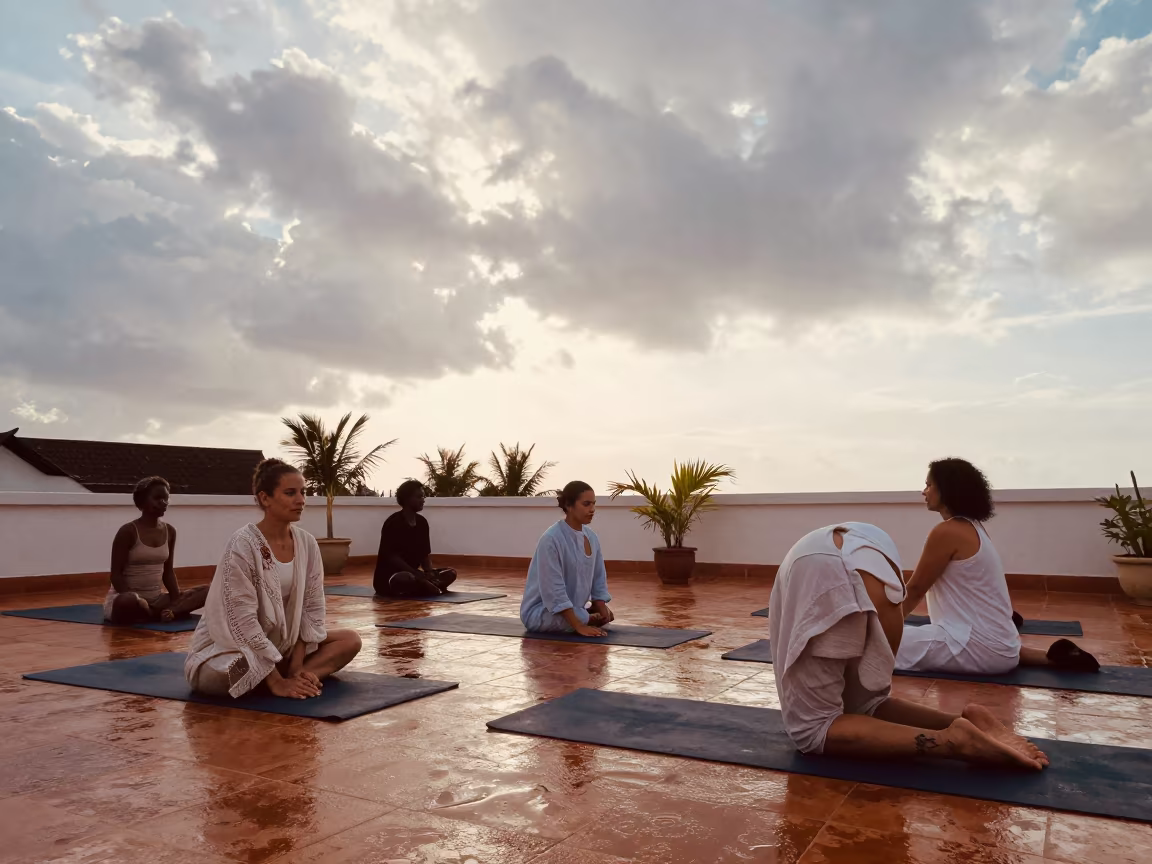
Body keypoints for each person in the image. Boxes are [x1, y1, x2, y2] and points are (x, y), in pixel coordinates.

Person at [769, 522, 1049, 770]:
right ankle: (968, 723)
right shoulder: (976, 531)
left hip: (821, 580)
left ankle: (951, 741)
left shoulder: (949, 530)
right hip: (879, 571)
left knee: (812, 730)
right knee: (867, 704)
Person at [896, 458, 1099, 674]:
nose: (924, 491)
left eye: (929, 485)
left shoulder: (946, 532)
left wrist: (883, 627)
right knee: (906, 635)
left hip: (973, 648)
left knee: (869, 642)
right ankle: (1050, 658)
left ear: (947, 489)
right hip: (1002, 647)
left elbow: (916, 589)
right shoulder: (975, 527)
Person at [184, 458, 362, 699]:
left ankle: (297, 677)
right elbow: (242, 620)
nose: (301, 500)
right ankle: (271, 676)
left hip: (283, 647)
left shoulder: (307, 543)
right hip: (231, 650)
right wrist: (277, 683)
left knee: (350, 640)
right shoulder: (243, 544)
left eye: (303, 492)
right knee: (233, 672)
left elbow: (310, 611)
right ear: (265, 498)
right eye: (290, 493)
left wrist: (298, 666)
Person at [104, 476, 208, 624]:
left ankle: (167, 612)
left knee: (207, 591)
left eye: (166, 498)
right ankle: (154, 613)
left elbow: (168, 572)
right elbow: (116, 575)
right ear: (142, 501)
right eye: (157, 498)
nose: (163, 503)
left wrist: (176, 601)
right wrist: (134, 598)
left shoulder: (170, 531)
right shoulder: (128, 531)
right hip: (131, 600)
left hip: (157, 600)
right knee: (127, 601)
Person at [520, 481, 614, 636]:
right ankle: (584, 617)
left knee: (606, 615)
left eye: (593, 504)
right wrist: (579, 625)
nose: (592, 510)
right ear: (569, 506)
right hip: (541, 613)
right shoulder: (551, 539)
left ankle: (585, 615)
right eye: (586, 504)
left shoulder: (591, 537)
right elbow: (554, 590)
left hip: (573, 610)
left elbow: (599, 578)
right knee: (580, 617)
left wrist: (602, 607)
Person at [372, 480, 458, 597]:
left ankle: (426, 584)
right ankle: (425, 585)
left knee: (451, 573)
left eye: (423, 496)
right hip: (392, 577)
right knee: (404, 578)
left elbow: (424, 554)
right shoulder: (393, 523)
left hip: (415, 574)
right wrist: (416, 574)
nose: (423, 500)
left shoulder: (422, 522)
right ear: (407, 499)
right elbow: (392, 557)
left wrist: (429, 572)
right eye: (419, 497)